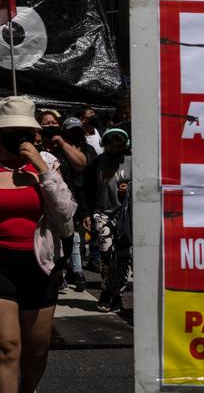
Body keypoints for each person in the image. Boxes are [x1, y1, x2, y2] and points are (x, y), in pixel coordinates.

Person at [0, 96, 77, 393]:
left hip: (40, 266)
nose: (18, 137)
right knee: (7, 347)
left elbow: (66, 216)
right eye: (10, 131)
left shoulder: (47, 165)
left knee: (36, 350)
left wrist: (41, 171)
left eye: (24, 131)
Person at [38, 111, 93, 290]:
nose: (51, 125)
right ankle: (51, 275)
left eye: (54, 122)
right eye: (46, 123)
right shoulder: (36, 148)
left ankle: (62, 270)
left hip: (65, 206)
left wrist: (61, 143)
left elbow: (81, 164)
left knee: (69, 242)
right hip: (41, 208)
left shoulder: (65, 145)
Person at [90, 126, 132, 312]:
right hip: (103, 213)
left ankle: (116, 295)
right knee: (107, 254)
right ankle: (107, 290)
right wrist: (86, 214)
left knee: (123, 257)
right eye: (112, 146)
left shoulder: (132, 162)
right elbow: (87, 188)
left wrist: (128, 190)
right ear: (104, 144)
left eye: (119, 147)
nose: (115, 150)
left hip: (126, 217)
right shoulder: (96, 162)